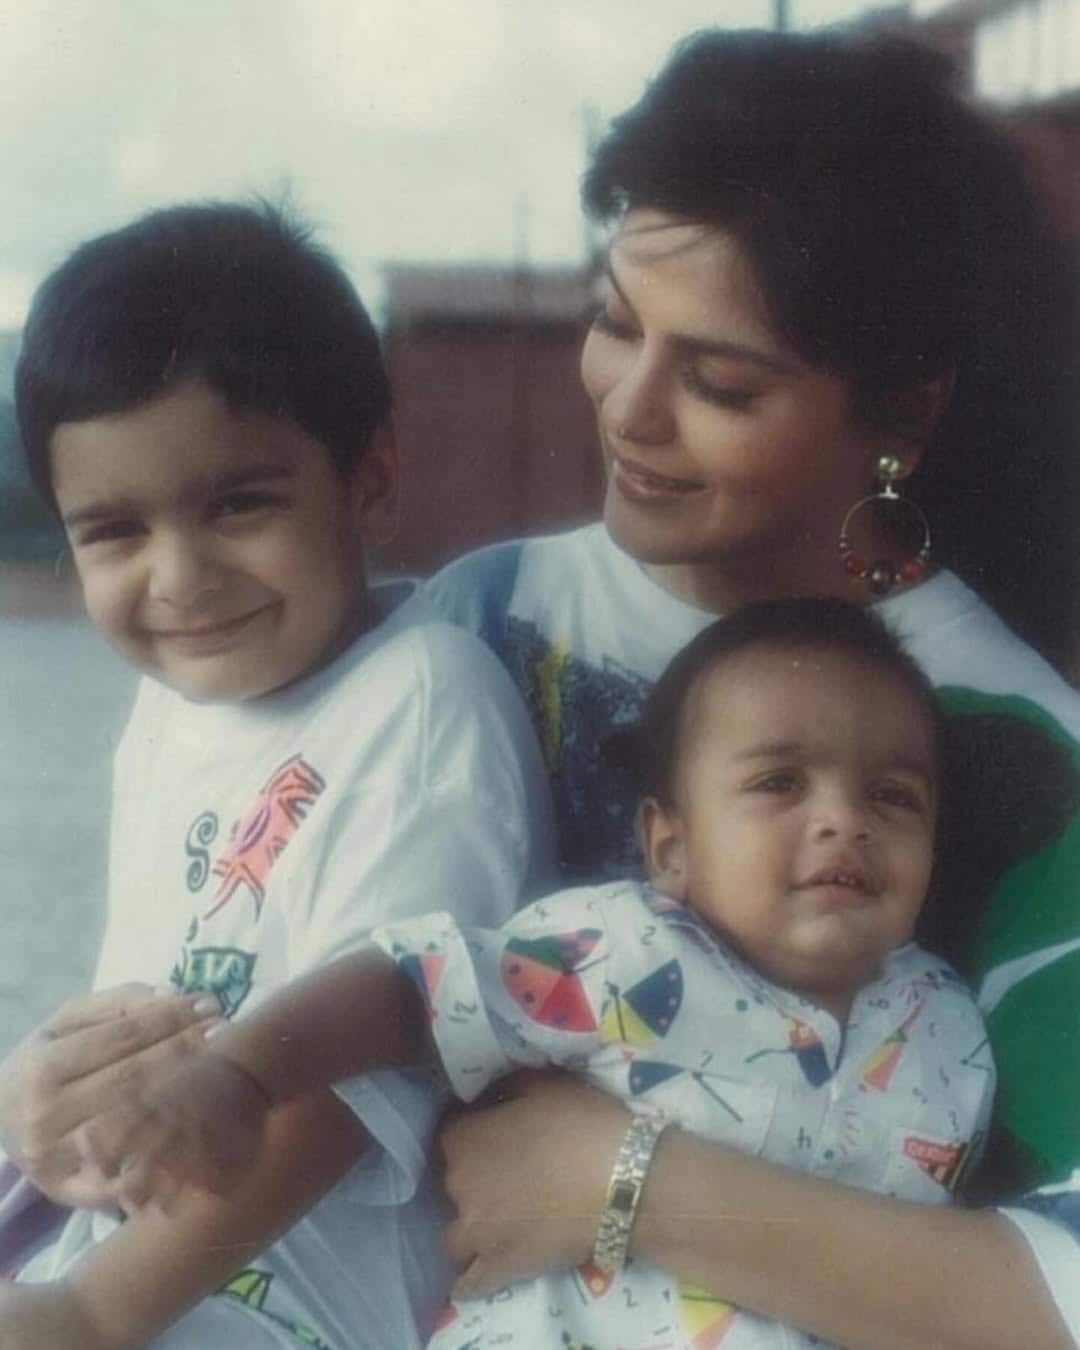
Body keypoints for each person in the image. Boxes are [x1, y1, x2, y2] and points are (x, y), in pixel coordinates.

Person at [421, 27, 1080, 1350]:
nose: (630, 408)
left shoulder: (1018, 754)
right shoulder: (481, 620)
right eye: (616, 325)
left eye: (720, 380)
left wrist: (617, 1182)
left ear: (898, 419)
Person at [55, 597, 995, 1350]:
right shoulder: (621, 951)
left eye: (892, 795)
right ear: (670, 844)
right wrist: (243, 1071)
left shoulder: (949, 1026)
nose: (845, 821)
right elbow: (406, 987)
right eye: (779, 783)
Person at [0, 200, 554, 1350]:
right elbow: (153, 1013)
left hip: (304, 1311)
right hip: (125, 1269)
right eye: (113, 531)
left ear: (370, 478)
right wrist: (45, 1126)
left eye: (238, 504)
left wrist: (94, 1316)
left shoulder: (423, 699)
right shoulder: (170, 713)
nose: (181, 578)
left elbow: (353, 1088)